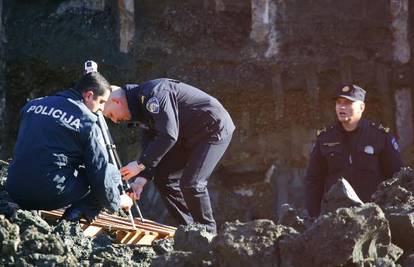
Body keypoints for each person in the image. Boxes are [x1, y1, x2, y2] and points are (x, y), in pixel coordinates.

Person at [103, 78, 235, 233]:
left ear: (116, 101)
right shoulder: (139, 105)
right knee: (164, 178)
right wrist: (141, 178)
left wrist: (139, 164)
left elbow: (168, 135)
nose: (115, 121)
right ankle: (190, 230)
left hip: (212, 128)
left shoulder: (153, 95)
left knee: (192, 183)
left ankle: (208, 234)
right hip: (185, 136)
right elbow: (151, 140)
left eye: (111, 114)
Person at [6, 61, 133, 221]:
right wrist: (117, 200)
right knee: (111, 172)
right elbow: (99, 171)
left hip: (14, 188)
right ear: (89, 95)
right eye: (101, 102)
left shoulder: (32, 105)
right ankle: (76, 214)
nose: (101, 109)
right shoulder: (88, 122)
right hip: (46, 194)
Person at [305, 84, 403, 217]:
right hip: (336, 217)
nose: (341, 107)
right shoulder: (325, 137)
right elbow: (314, 179)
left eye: (348, 103)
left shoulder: (379, 136)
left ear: (361, 107)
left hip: (372, 215)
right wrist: (313, 216)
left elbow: (397, 177)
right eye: (339, 103)